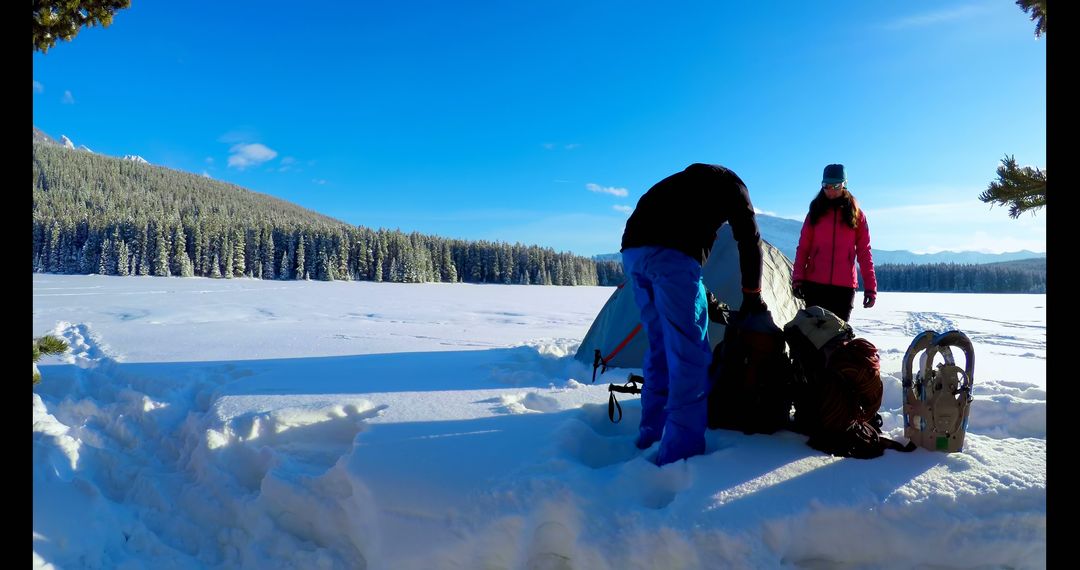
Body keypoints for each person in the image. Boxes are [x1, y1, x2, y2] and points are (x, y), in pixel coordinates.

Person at [621, 163, 766, 466]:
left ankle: (652, 433)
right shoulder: (735, 188)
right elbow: (749, 240)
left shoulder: (686, 183)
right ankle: (680, 454)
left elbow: (678, 265)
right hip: (670, 255)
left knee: (660, 346)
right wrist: (752, 295)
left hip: (633, 251)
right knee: (688, 356)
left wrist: (705, 299)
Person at [791, 164, 877, 323]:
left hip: (843, 289)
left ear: (845, 184)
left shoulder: (857, 215)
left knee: (838, 339)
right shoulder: (815, 213)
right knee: (813, 338)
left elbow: (864, 253)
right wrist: (797, 278)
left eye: (836, 186)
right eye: (826, 185)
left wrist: (871, 288)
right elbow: (803, 249)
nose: (830, 190)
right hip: (815, 286)